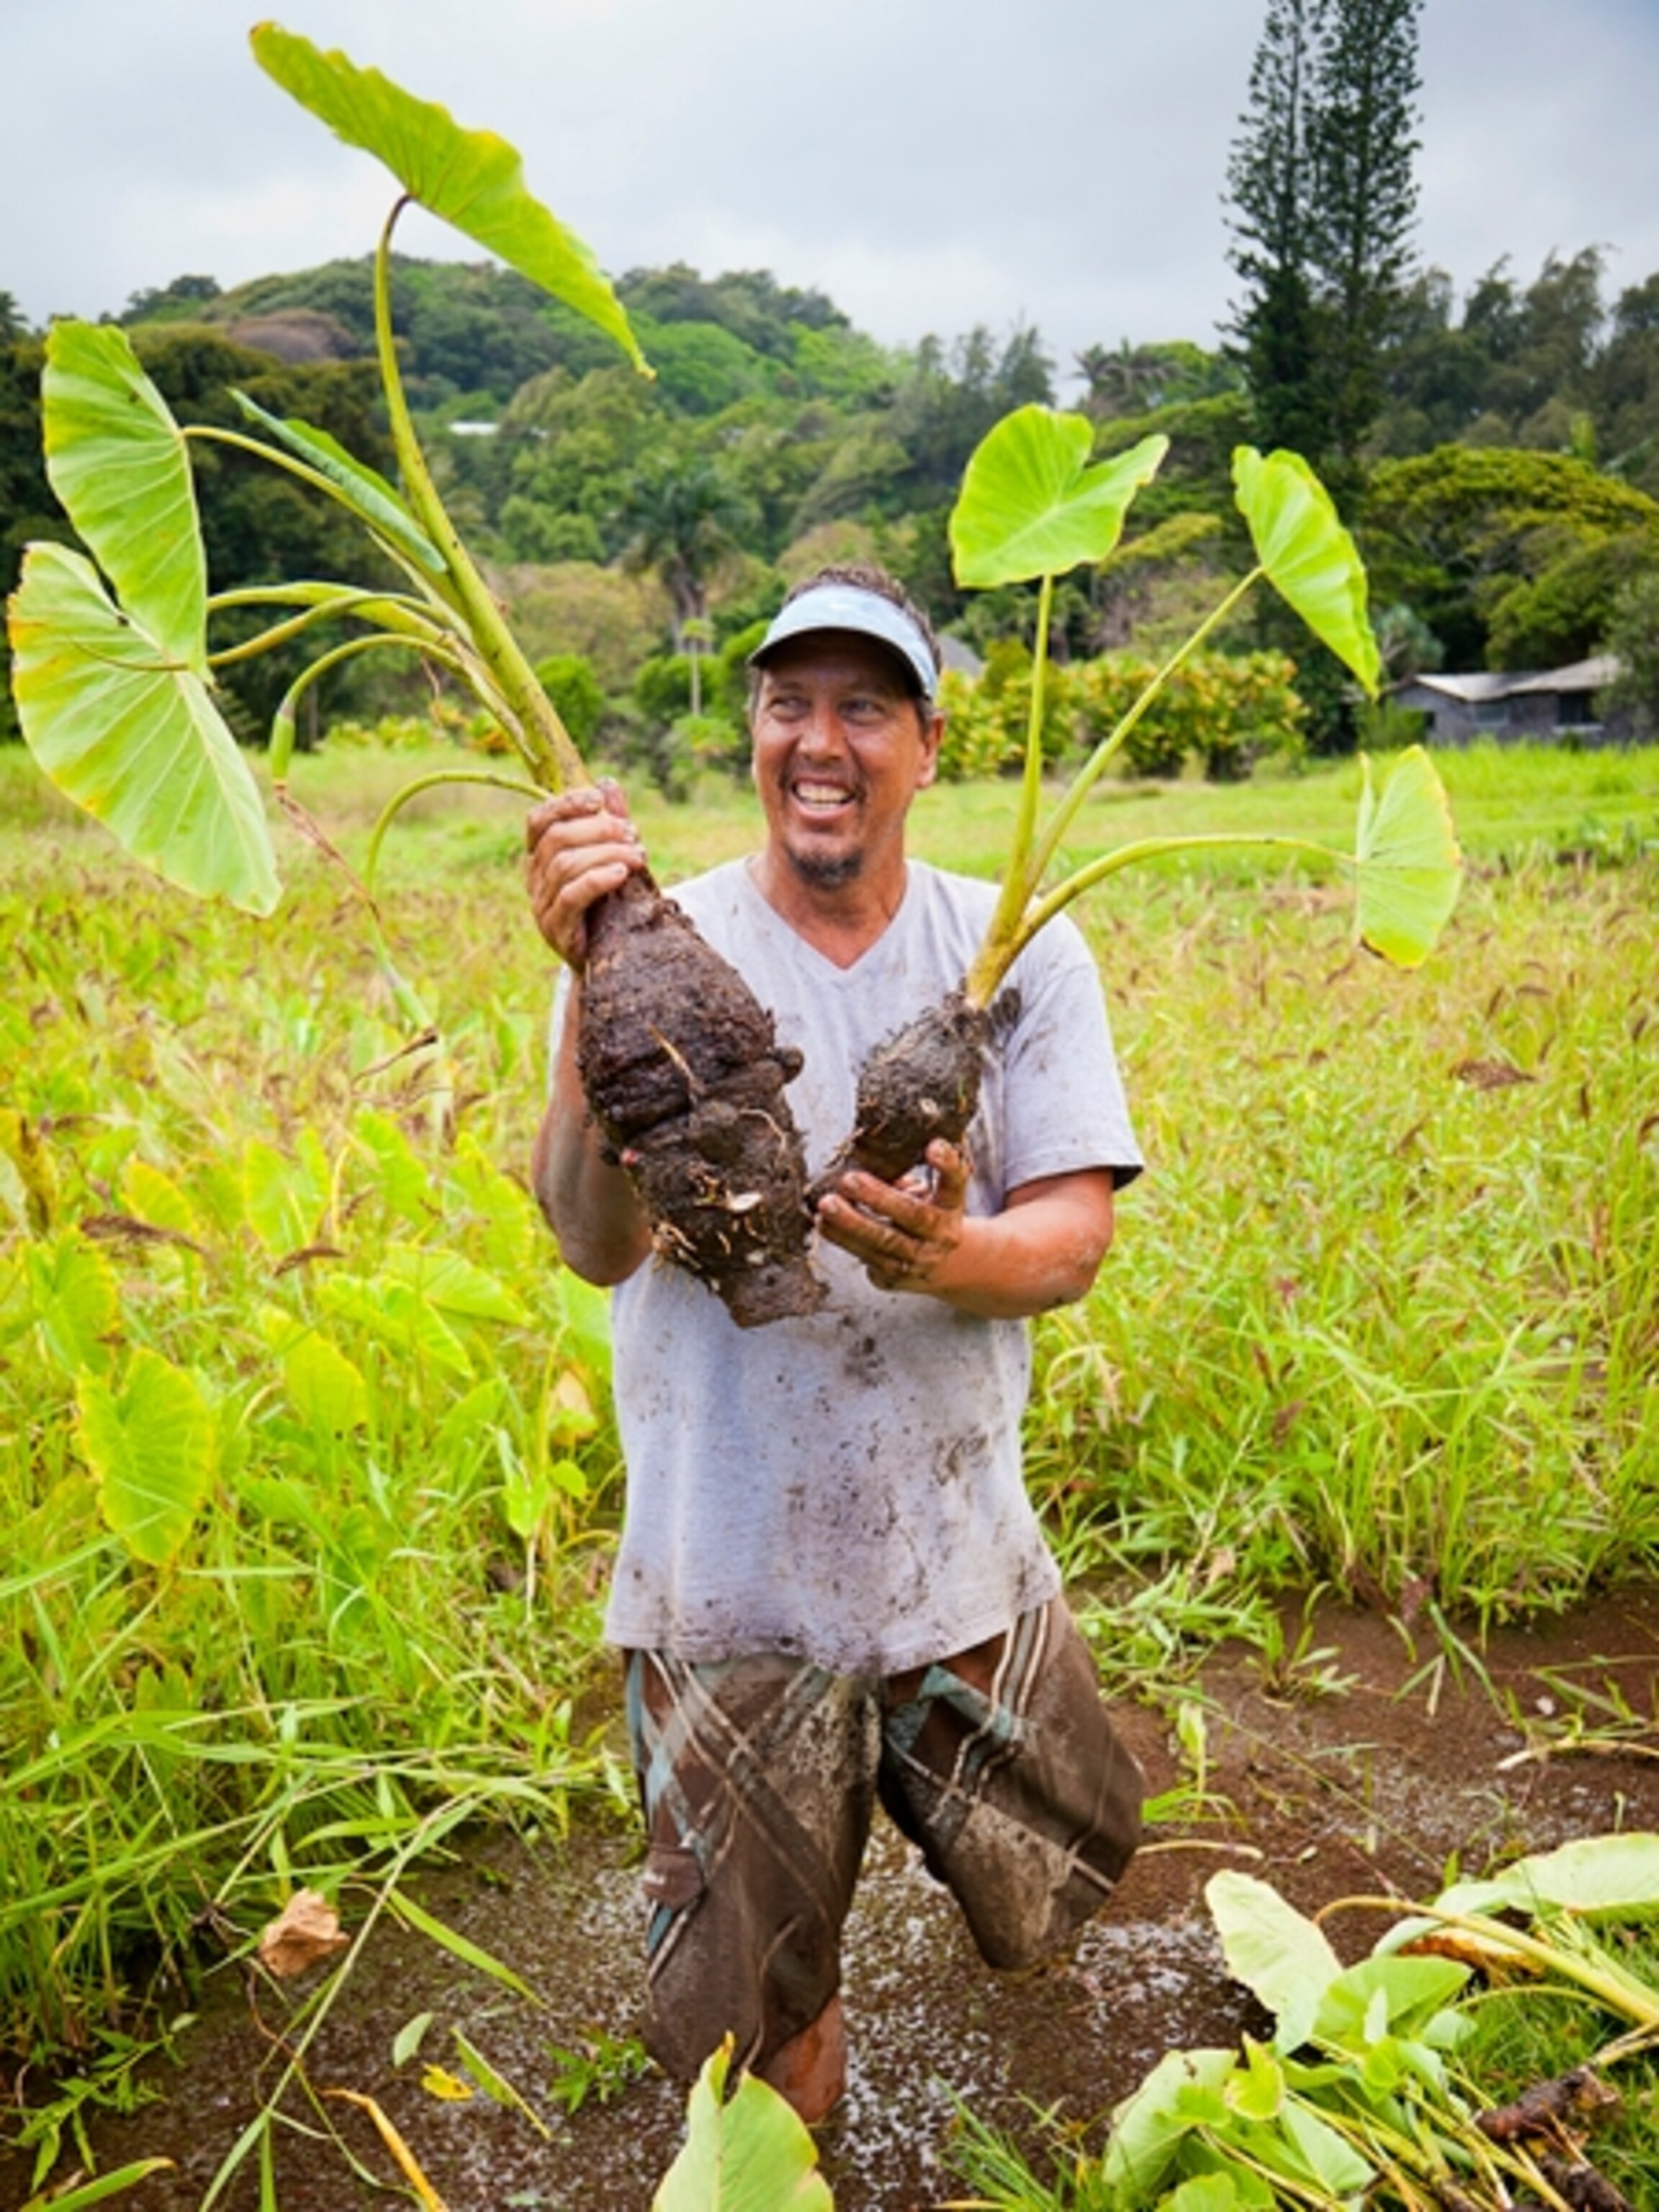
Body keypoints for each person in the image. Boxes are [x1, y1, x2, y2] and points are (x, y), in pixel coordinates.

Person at [525, 565, 1145, 2124]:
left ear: (927, 745)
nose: (821, 740)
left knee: (1056, 1889)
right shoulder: (649, 945)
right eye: (789, 703)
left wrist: (952, 1254)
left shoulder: (1010, 957)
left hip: (954, 1553)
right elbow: (591, 1242)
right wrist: (595, 1014)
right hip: (727, 1573)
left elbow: (1070, 1240)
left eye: (863, 706)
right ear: (752, 734)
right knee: (764, 2026)